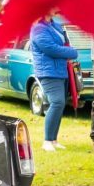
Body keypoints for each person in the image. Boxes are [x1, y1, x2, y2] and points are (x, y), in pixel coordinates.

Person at [30, 10, 77, 151]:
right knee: (57, 102)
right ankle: (47, 141)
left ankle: (53, 140)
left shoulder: (54, 25)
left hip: (60, 70)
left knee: (60, 104)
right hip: (48, 71)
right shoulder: (38, 28)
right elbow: (50, 49)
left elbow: (64, 42)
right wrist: (72, 52)